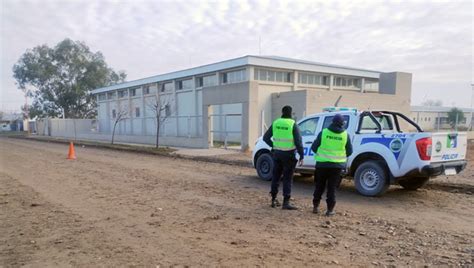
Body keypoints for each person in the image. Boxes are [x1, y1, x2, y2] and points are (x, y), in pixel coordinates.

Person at [263, 105, 304, 210]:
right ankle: (286, 202)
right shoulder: (292, 124)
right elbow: (298, 142)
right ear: (291, 113)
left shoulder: (276, 123)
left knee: (275, 177)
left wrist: (274, 146)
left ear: (282, 112)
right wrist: (301, 155)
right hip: (289, 155)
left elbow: (265, 138)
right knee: (287, 179)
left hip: (277, 154)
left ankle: (273, 199)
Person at [311, 114, 352, 216]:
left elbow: (314, 147)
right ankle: (330, 210)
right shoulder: (345, 135)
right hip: (337, 167)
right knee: (332, 188)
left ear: (332, 122)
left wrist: (322, 154)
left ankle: (315, 207)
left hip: (322, 165)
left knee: (319, 186)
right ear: (342, 124)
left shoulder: (323, 132)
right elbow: (350, 151)